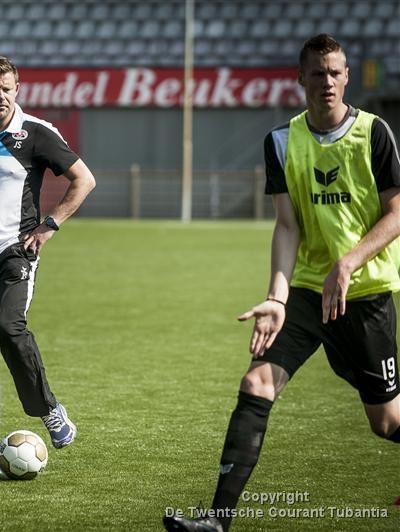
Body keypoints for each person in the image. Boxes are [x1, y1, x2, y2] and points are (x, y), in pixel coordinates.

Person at [163, 34, 400, 532]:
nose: (327, 81)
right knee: (256, 382)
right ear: (301, 79)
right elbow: (287, 225)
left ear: (347, 77)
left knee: (386, 423)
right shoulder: (281, 141)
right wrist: (277, 296)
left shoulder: (375, 132)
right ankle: (218, 521)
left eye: (335, 72)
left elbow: (396, 213)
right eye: (317, 73)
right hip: (308, 294)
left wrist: (349, 262)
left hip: (366, 295)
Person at [0, 56, 96, 477]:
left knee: (8, 327)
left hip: (14, 252)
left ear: (18, 88)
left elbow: (84, 179)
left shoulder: (36, 134)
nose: (2, 96)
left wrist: (49, 226)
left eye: (8, 88)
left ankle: (48, 409)